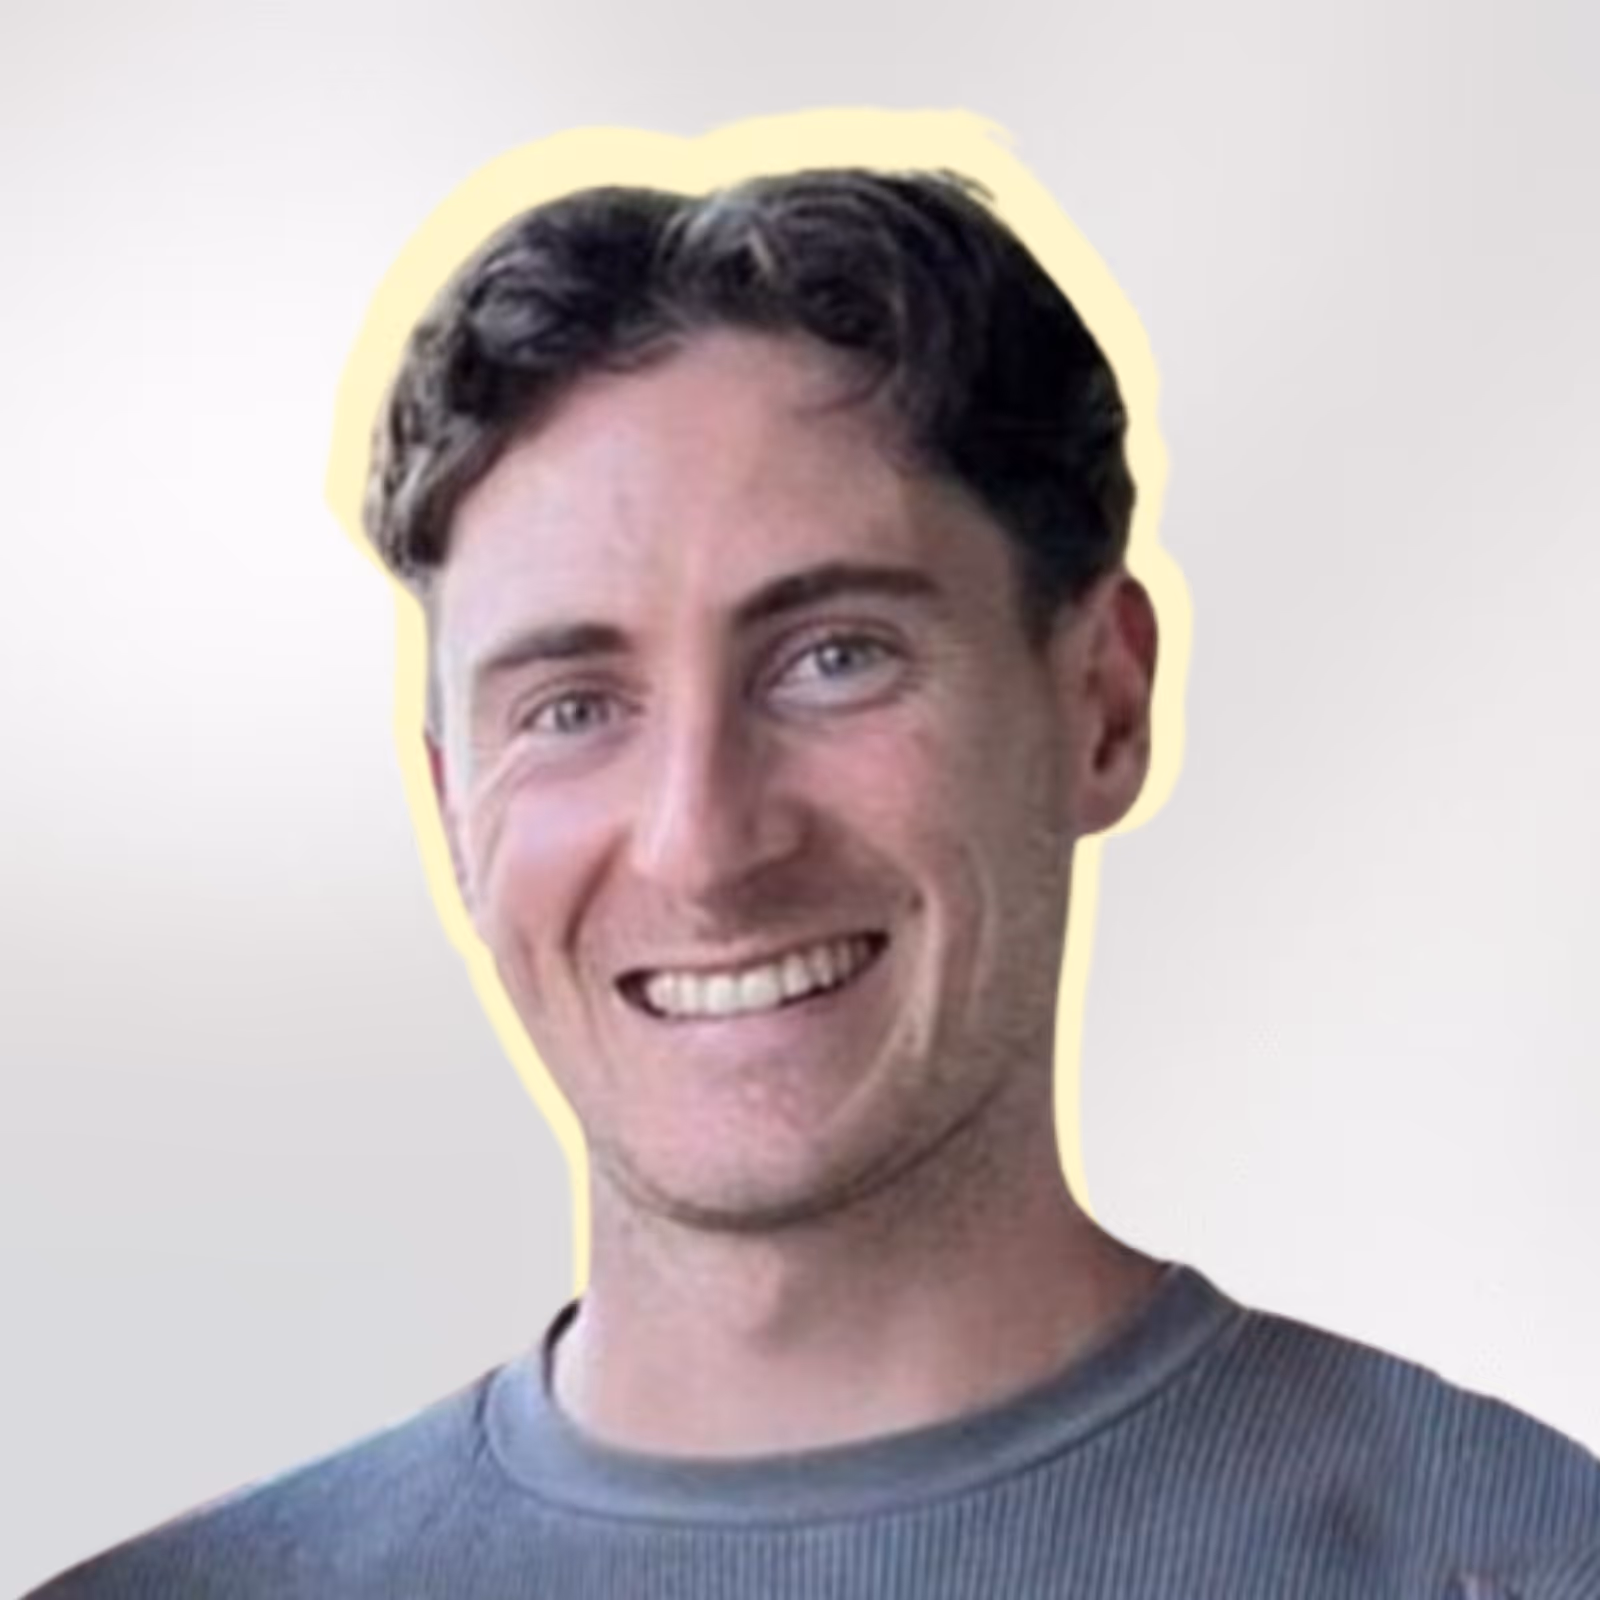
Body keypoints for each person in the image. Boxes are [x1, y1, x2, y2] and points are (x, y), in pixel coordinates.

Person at [29, 167, 1600, 1599]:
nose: (703, 845)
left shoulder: (1514, 1562)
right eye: (572, 706)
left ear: (1102, 706)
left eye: (835, 658)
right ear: (453, 808)